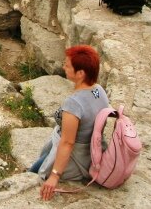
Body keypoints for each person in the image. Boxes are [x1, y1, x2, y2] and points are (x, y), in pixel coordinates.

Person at [30, 45, 111, 200]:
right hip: (91, 149)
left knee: (35, 171)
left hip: (75, 157)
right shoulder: (98, 90)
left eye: (67, 66)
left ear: (80, 73)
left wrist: (54, 176)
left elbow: (67, 142)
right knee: (36, 164)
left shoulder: (74, 104)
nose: (63, 67)